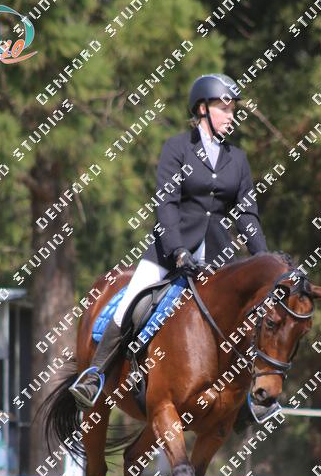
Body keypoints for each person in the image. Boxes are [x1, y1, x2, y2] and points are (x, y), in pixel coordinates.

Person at [70, 73, 268, 410]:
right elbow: (166, 203)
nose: (231, 115)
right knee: (131, 302)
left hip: (218, 256)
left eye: (233, 109)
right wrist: (177, 250)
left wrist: (264, 260)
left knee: (251, 316)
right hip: (169, 252)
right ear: (202, 109)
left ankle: (251, 398)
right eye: (224, 108)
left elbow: (247, 215)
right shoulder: (177, 148)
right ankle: (94, 376)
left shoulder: (237, 159)